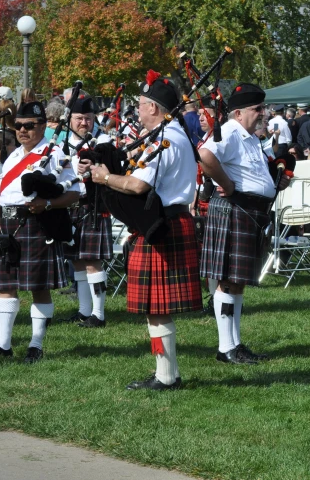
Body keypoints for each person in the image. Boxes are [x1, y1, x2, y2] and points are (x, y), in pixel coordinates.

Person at [88, 70, 202, 390]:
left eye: (140, 104)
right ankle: (167, 373)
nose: (137, 109)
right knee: (156, 307)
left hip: (163, 224)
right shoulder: (172, 134)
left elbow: (138, 185)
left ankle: (166, 377)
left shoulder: (167, 139)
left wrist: (105, 178)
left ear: (153, 107)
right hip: (164, 221)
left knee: (157, 307)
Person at [0, 101, 81, 363]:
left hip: (35, 225)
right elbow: (2, 199)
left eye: (29, 126)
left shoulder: (55, 153)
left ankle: (36, 345)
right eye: (19, 125)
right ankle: (3, 344)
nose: (22, 130)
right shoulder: (13, 157)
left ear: (42, 125)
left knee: (38, 286)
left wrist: (49, 204)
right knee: (5, 286)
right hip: (8, 226)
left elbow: (75, 193)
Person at [199, 83, 291, 365]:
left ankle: (234, 344)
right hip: (233, 209)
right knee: (228, 281)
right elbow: (204, 155)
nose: (262, 113)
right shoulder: (228, 131)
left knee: (237, 283)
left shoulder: (249, 136)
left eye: (262, 108)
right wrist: (226, 183)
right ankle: (226, 348)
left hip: (248, 212)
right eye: (257, 109)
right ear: (238, 113)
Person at [59, 95, 113, 328]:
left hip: (94, 205)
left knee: (92, 261)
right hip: (70, 205)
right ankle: (83, 311)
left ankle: (98, 314)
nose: (84, 123)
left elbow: (113, 169)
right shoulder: (62, 144)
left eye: (89, 118)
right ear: (70, 119)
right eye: (79, 118)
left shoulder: (103, 141)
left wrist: (93, 168)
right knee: (77, 261)